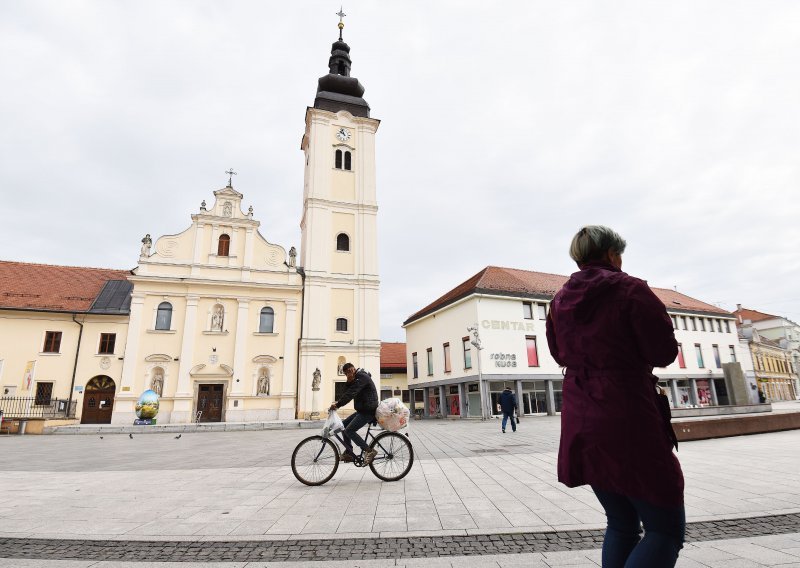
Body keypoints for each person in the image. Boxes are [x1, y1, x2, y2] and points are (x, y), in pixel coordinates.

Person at [545, 225, 685, 567]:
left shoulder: (560, 300)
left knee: (621, 523)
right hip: (627, 412)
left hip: (581, 414)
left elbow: (558, 353)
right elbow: (662, 352)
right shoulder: (631, 290)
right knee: (664, 529)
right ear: (612, 254)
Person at [329, 363, 379, 464]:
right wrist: (348, 382)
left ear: (352, 369)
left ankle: (369, 451)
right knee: (343, 426)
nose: (347, 375)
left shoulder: (362, 377)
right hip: (362, 410)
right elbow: (347, 392)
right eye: (345, 374)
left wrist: (338, 405)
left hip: (368, 411)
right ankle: (349, 453)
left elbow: (351, 393)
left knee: (349, 430)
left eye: (348, 372)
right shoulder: (355, 379)